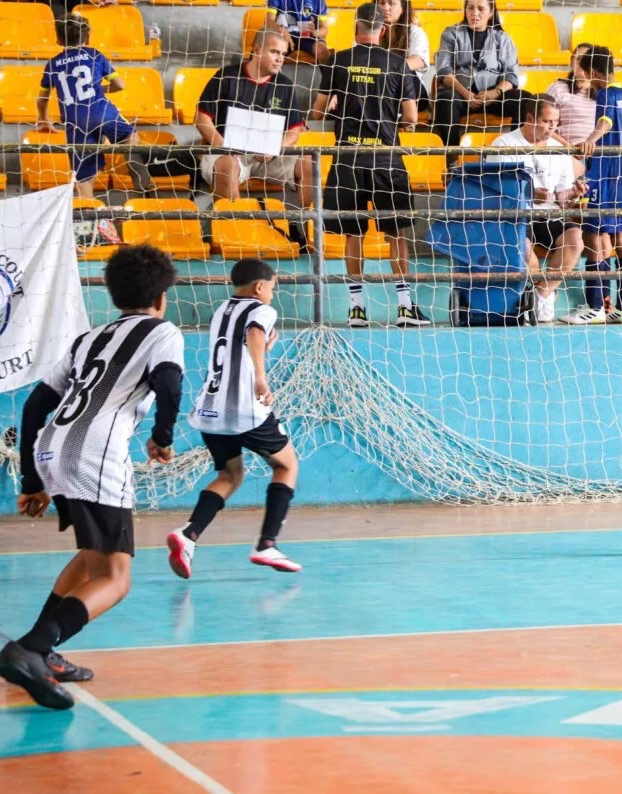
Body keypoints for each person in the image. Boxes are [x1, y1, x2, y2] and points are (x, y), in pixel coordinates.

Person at [2, 245, 183, 711]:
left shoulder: (88, 339)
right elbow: (168, 383)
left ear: (114, 294)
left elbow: (34, 407)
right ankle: (29, 649)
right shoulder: (163, 332)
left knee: (90, 557)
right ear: (161, 297)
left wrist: (31, 480)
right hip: (94, 453)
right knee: (116, 578)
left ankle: (41, 652)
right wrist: (162, 436)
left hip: (53, 446)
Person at [167, 258, 301, 578]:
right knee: (286, 466)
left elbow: (240, 346)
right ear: (259, 286)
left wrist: (262, 349)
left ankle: (189, 535)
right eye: (272, 288)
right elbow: (253, 332)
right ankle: (266, 544)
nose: (272, 294)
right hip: (243, 410)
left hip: (209, 410)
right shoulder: (263, 310)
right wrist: (261, 377)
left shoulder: (222, 310)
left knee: (230, 475)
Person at [311, 2, 428, 327]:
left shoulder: (338, 61)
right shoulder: (397, 63)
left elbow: (317, 112)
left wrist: (341, 106)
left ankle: (356, 309)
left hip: (348, 159)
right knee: (396, 233)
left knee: (353, 233)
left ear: (355, 28)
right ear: (384, 30)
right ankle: (405, 307)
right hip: (386, 159)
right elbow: (411, 116)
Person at [488, 94, 585, 324]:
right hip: (516, 213)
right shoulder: (504, 144)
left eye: (555, 122)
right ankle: (536, 295)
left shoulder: (558, 149)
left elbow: (562, 196)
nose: (552, 128)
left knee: (575, 240)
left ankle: (542, 294)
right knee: (524, 249)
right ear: (530, 118)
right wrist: (529, 194)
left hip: (549, 213)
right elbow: (495, 191)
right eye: (547, 121)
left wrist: (574, 193)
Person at [195, 29, 314, 216]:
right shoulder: (226, 76)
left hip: (268, 156)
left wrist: (276, 147)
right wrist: (224, 146)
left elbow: (295, 130)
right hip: (229, 153)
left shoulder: (285, 85)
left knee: (307, 161)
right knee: (227, 165)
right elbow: (201, 119)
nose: (280, 59)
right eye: (274, 52)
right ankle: (234, 228)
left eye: (283, 54)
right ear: (257, 50)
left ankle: (311, 225)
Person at [35, 17, 154, 200]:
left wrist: (44, 119)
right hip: (102, 112)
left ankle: (87, 211)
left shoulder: (52, 64)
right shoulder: (95, 55)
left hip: (76, 122)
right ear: (88, 37)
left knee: (83, 178)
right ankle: (143, 184)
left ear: (58, 40)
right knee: (130, 137)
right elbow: (120, 85)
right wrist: (98, 89)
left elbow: (42, 100)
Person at [567, 46, 622, 325]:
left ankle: (596, 307)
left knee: (594, 234)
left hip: (608, 174)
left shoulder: (605, 94)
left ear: (591, 71)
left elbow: (605, 120)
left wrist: (591, 139)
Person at [432, 0, 529, 148]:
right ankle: (451, 154)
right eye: (470, 8)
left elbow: (511, 74)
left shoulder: (503, 38)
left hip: (493, 96)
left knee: (526, 99)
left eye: (481, 9)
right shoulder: (451, 34)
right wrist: (466, 93)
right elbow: (444, 71)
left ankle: (515, 150)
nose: (474, 13)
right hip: (460, 95)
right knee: (446, 99)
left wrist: (495, 92)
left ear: (490, 13)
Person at [377, 0, 431, 104]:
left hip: (412, 89)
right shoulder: (368, 32)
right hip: (380, 86)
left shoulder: (415, 32)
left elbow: (417, 61)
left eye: (392, 3)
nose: (386, 8)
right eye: (382, 3)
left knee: (405, 72)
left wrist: (385, 70)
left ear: (403, 8)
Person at [546, 44, 597, 146]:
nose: (582, 63)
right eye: (578, 58)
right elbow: (545, 126)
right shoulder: (557, 88)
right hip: (565, 149)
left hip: (598, 150)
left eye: (587, 59)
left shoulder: (603, 93)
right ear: (571, 61)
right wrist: (567, 147)